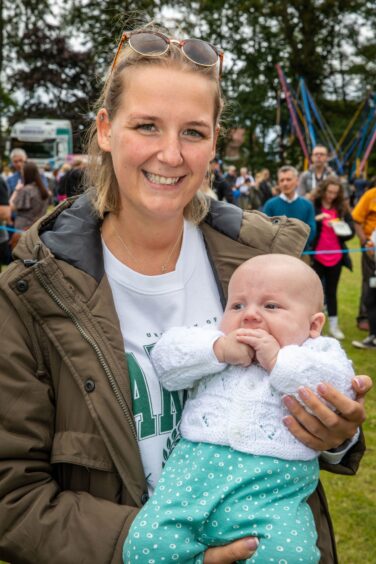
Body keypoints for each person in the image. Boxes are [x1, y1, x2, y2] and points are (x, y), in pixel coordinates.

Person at [0, 24, 370, 564]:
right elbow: (13, 498)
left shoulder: (260, 264)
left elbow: (316, 413)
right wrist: (153, 547)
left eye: (193, 132)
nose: (170, 155)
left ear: (215, 140)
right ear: (106, 130)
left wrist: (333, 432)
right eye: (147, 125)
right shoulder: (34, 291)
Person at [124, 254, 355, 563]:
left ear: (313, 324)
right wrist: (217, 350)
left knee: (289, 554)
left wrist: (278, 361)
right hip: (189, 488)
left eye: (271, 306)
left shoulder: (315, 351)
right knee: (144, 545)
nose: (250, 316)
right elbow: (167, 359)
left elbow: (340, 388)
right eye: (237, 306)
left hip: (273, 495)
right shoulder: (216, 345)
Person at [311, 176, 355, 340]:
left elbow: (351, 230)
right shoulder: (314, 205)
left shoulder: (341, 208)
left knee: (332, 292)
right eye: (329, 192)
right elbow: (306, 225)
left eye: (335, 193)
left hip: (336, 256)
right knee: (314, 293)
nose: (331, 196)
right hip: (316, 255)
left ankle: (334, 327)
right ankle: (312, 325)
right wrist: (317, 219)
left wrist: (341, 227)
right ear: (323, 190)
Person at [263, 166, 316, 255]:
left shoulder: (307, 205)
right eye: (282, 180)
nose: (285, 183)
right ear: (278, 183)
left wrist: (297, 247)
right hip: (276, 255)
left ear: (297, 181)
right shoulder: (270, 205)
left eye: (288, 179)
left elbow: (312, 230)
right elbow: (265, 230)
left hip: (302, 254)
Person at [351, 186, 376, 341]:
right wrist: (365, 241)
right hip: (371, 249)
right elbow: (356, 220)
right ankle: (364, 317)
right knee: (370, 283)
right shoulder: (370, 195)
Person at [8, 160, 50, 249]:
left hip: (22, 230)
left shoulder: (26, 190)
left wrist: (16, 190)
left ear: (27, 173)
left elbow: (11, 207)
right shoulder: (43, 190)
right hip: (38, 229)